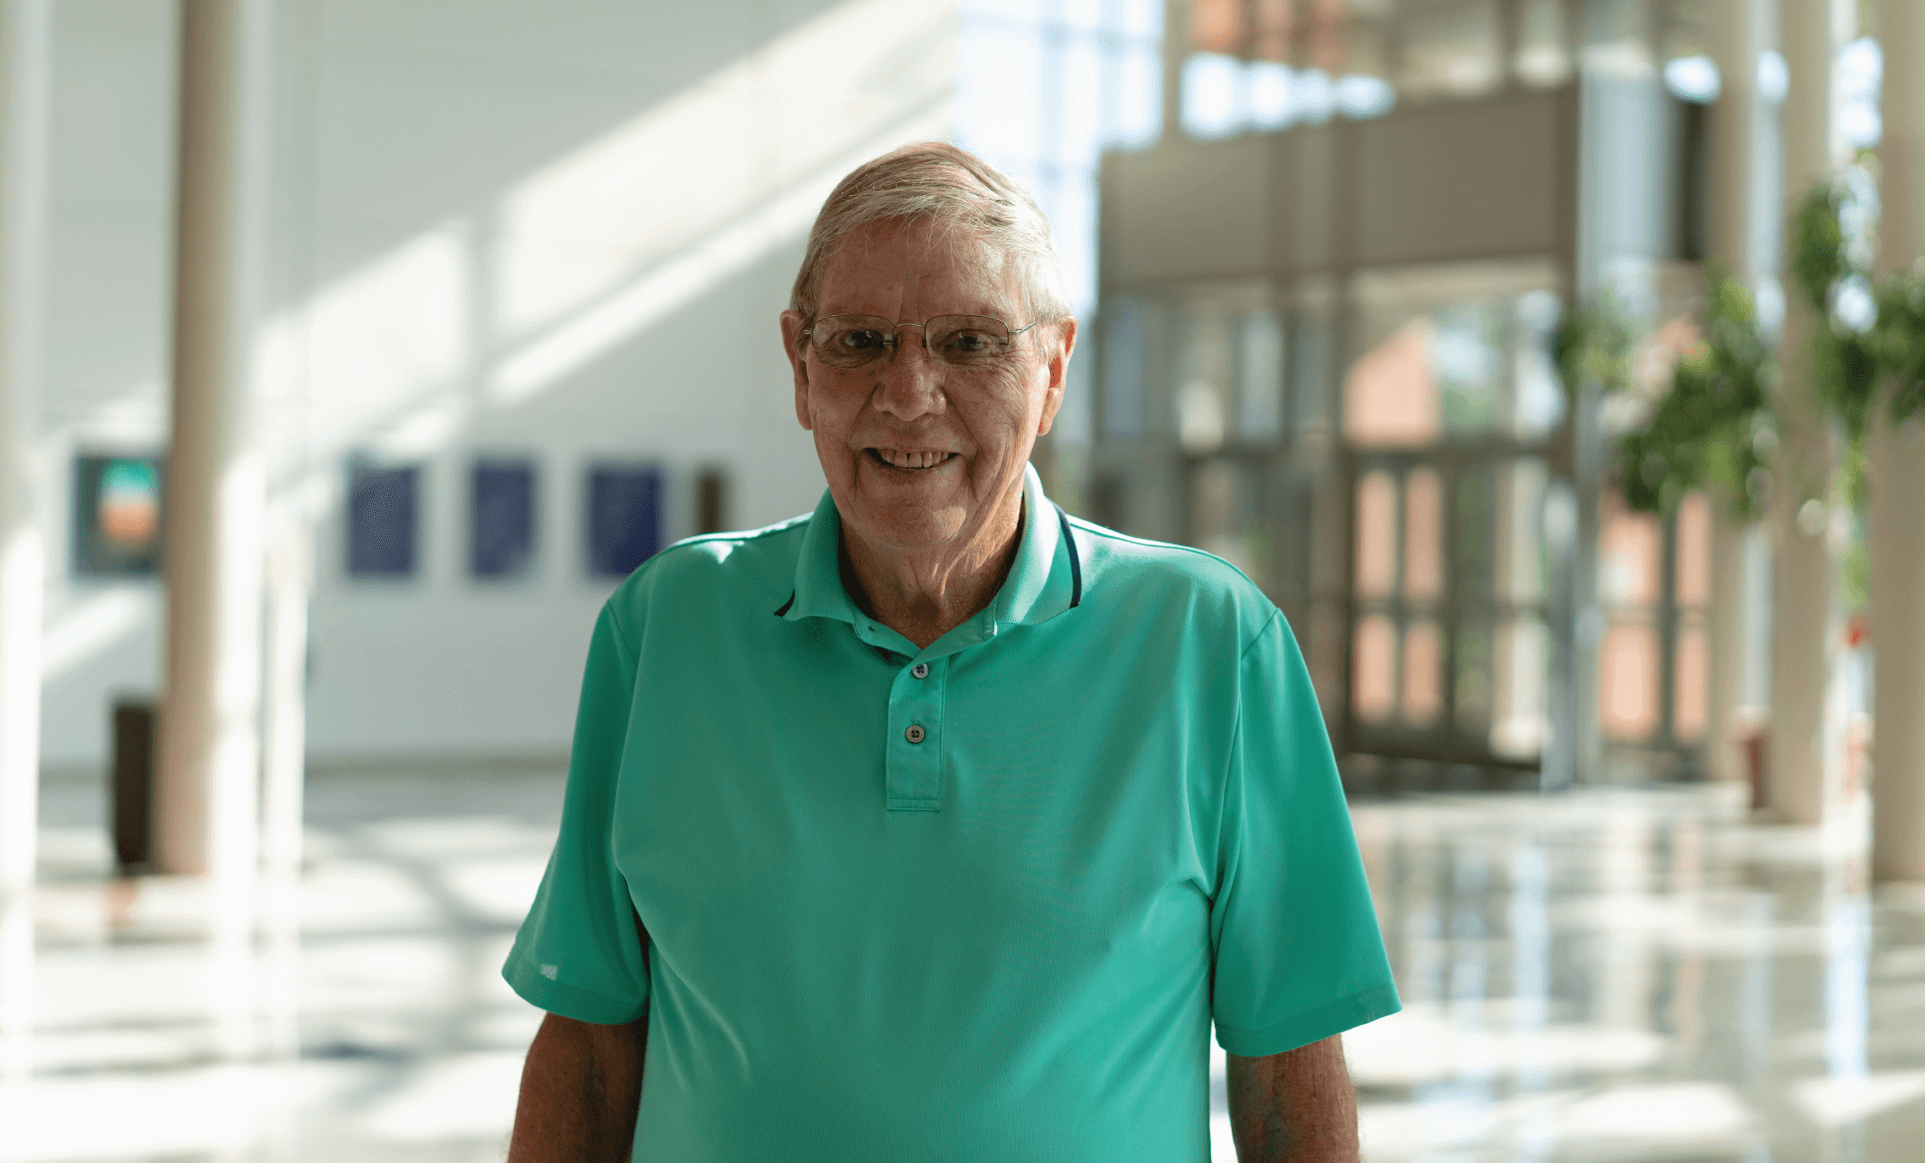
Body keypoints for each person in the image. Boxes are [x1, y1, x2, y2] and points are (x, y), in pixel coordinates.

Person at [501, 142, 1400, 1162]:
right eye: (861, 341)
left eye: (969, 343)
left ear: (1052, 367)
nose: (909, 393)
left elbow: (1287, 1070)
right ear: (800, 364)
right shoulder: (664, 626)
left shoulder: (1209, 644)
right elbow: (586, 1042)